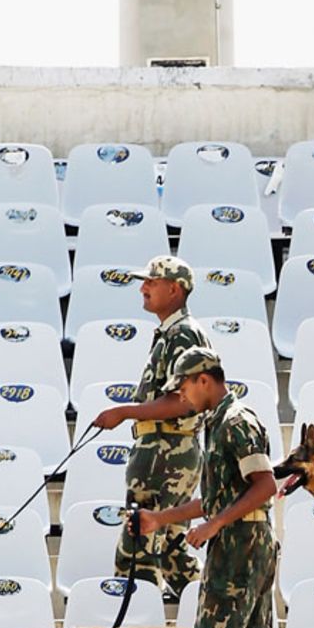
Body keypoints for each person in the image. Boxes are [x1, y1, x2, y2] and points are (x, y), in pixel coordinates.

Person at [137, 347, 314, 628]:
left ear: (205, 379)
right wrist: (160, 519)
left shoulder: (236, 423)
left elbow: (265, 486)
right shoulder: (217, 423)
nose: (181, 396)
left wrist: (213, 526)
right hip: (241, 543)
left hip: (240, 547)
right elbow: (219, 497)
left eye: (184, 387)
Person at [92, 255, 214, 599]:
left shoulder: (183, 334)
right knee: (172, 550)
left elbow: (185, 400)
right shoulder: (172, 333)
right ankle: (213, 608)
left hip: (166, 453)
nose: (143, 288)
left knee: (138, 548)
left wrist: (125, 411)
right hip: (166, 450)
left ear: (174, 290)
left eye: (151, 282)